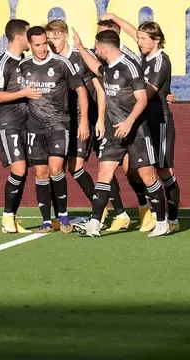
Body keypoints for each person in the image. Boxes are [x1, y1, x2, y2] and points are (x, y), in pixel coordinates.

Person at [72, 29, 170, 237]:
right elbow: (96, 68)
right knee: (104, 175)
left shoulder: (130, 67)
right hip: (112, 132)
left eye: (96, 48)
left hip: (137, 131)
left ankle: (162, 222)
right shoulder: (107, 68)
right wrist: (80, 47)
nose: (95, 51)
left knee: (147, 176)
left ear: (105, 49)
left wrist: (129, 121)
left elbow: (142, 99)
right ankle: (95, 224)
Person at [45, 19, 131, 232]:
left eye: (55, 38)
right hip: (66, 121)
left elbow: (101, 89)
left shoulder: (80, 57)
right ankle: (103, 209)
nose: (52, 43)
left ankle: (117, 211)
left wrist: (98, 119)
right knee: (72, 168)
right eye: (49, 39)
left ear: (65, 36)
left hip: (91, 119)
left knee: (103, 166)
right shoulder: (50, 59)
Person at [101, 14, 181, 233]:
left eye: (144, 39)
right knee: (131, 168)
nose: (139, 42)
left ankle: (172, 219)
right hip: (141, 121)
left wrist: (126, 97)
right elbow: (131, 31)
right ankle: (152, 211)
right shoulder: (143, 58)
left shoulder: (161, 60)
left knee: (164, 170)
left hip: (159, 121)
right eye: (139, 39)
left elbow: (147, 93)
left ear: (156, 40)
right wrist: (114, 18)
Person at [18, 26, 90, 234]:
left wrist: (84, 120)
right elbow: (15, 91)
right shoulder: (23, 66)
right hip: (35, 127)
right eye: (37, 45)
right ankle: (47, 221)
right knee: (41, 173)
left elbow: (81, 91)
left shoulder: (61, 63)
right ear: (30, 44)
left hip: (59, 125)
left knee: (56, 169)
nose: (42, 48)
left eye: (44, 44)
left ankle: (64, 217)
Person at [0, 19, 41, 234]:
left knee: (23, 171)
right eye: (28, 35)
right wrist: (22, 94)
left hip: (25, 123)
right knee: (18, 169)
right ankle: (6, 218)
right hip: (8, 123)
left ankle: (11, 218)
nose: (30, 39)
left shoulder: (25, 61)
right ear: (20, 36)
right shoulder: (5, 62)